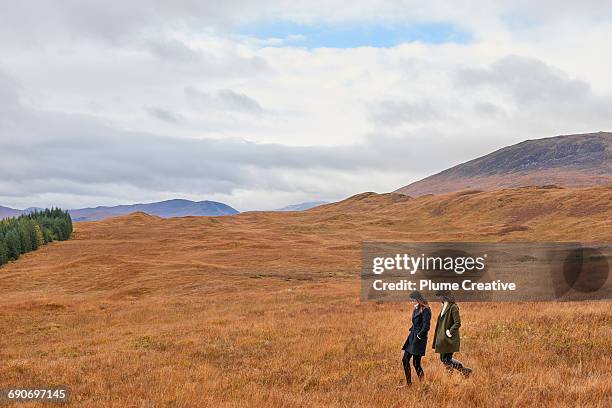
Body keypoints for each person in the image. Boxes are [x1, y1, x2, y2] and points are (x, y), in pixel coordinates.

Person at [432, 290, 472, 377]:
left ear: (445, 296)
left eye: (440, 296)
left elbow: (457, 323)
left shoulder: (453, 307)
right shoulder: (444, 306)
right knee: (443, 359)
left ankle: (455, 374)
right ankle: (463, 371)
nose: (439, 298)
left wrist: (449, 332)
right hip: (443, 338)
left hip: (449, 338)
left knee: (447, 359)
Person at [400, 291, 431, 385]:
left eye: (413, 300)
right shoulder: (416, 308)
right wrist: (412, 330)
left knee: (416, 363)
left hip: (419, 339)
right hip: (412, 337)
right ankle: (408, 384)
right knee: (405, 359)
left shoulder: (426, 309)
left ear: (418, 299)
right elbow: (416, 322)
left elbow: (426, 326)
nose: (412, 302)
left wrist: (419, 335)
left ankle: (424, 385)